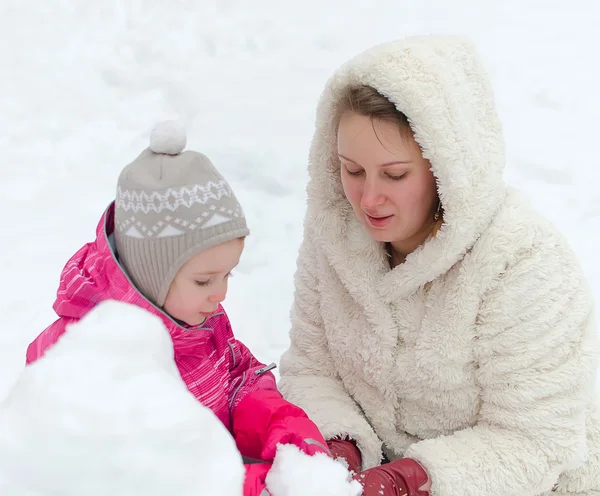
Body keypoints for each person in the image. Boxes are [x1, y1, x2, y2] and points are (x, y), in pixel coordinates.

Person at [278, 35, 600, 496]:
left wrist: (408, 481)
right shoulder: (336, 238)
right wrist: (339, 448)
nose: (368, 199)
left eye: (395, 174)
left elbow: (535, 441)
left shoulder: (524, 264)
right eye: (352, 170)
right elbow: (312, 370)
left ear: (448, 168)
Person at [26, 122, 330, 496]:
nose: (219, 295)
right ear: (150, 274)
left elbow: (235, 378)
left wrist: (283, 429)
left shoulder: (194, 318)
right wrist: (263, 486)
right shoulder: (86, 359)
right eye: (204, 280)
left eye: (227, 275)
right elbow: (145, 478)